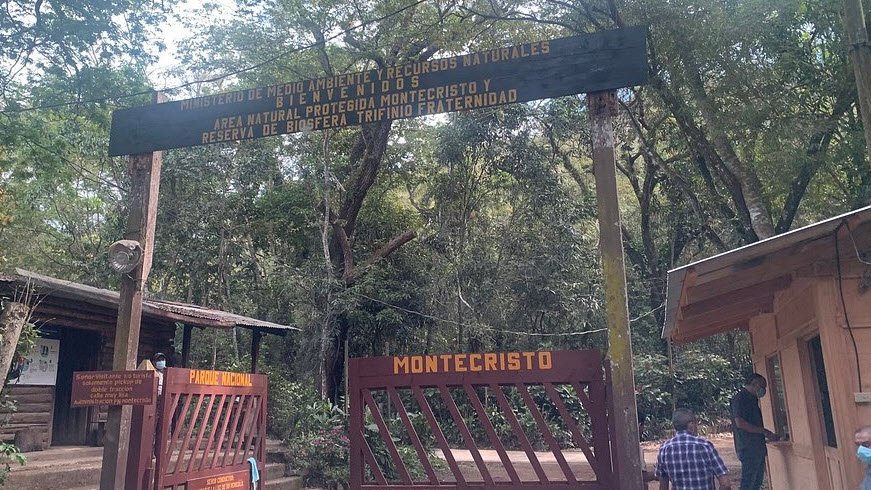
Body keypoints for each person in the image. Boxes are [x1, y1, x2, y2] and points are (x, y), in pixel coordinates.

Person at [655, 408, 731, 489]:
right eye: (695, 423)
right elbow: (725, 484)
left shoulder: (664, 449)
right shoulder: (705, 446)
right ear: (691, 425)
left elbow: (663, 486)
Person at [730, 373, 779, 490]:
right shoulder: (741, 399)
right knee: (748, 484)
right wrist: (764, 431)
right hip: (748, 448)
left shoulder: (752, 399)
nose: (764, 390)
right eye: (762, 387)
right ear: (755, 384)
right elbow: (740, 423)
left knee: (757, 483)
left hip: (757, 448)